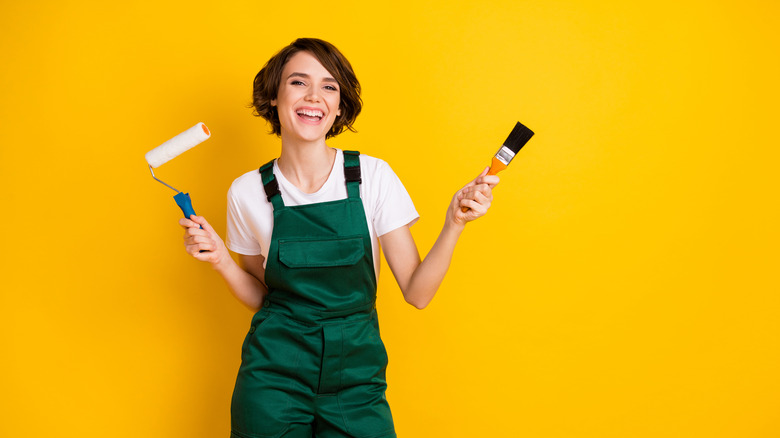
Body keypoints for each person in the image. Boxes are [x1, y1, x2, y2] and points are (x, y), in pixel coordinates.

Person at [180, 38, 499, 438]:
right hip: (273, 377)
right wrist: (221, 261)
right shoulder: (247, 192)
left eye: (329, 86)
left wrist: (454, 223)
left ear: (339, 107)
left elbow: (418, 293)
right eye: (298, 82)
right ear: (274, 97)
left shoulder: (373, 177)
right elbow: (265, 297)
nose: (314, 96)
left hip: (356, 378)